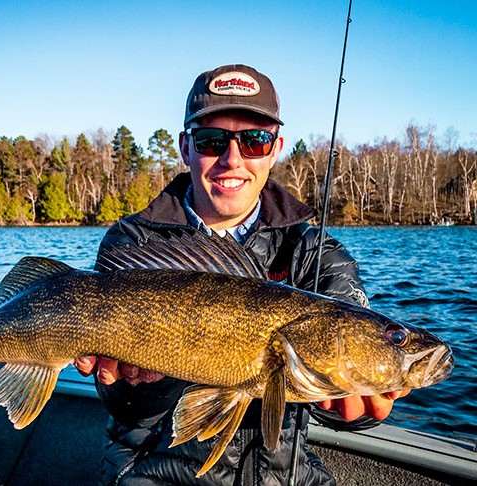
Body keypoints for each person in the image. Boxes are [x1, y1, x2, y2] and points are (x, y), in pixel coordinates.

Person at [75, 64, 409, 485]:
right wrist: (144, 385)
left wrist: (357, 411)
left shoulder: (314, 253)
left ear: (275, 148)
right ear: (185, 147)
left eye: (254, 140)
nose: (232, 159)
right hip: (154, 470)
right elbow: (122, 406)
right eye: (212, 140)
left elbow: (353, 387)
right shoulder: (135, 242)